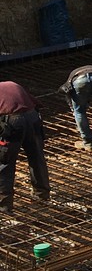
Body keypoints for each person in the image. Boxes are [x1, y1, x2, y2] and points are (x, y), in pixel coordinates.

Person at [0, 80, 50, 213]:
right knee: (36, 156)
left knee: (5, 162)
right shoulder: (11, 84)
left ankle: (4, 205)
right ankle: (42, 195)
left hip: (12, 121)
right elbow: (36, 102)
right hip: (32, 116)